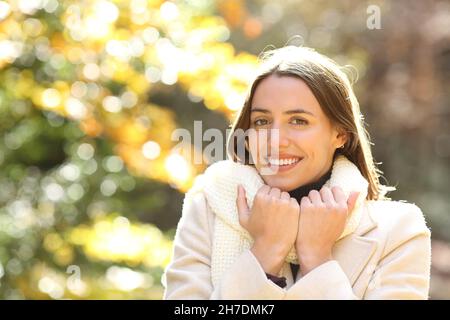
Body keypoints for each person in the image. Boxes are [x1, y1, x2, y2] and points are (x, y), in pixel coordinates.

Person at [162, 46, 431, 299]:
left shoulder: (399, 231)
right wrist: (265, 252)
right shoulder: (209, 209)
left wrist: (317, 258)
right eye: (262, 121)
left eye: (298, 121)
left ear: (340, 134)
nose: (275, 140)